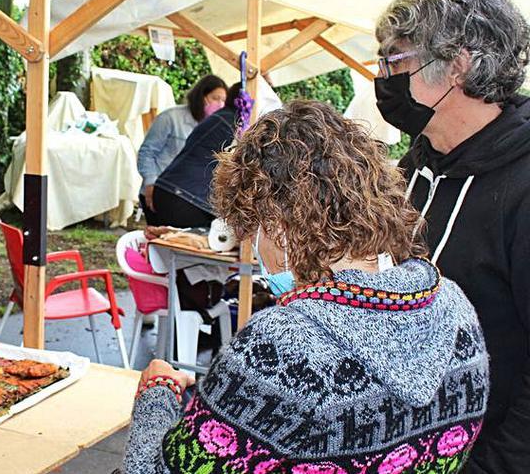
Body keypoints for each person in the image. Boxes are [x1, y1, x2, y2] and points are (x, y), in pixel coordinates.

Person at [123, 101, 489, 473]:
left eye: (253, 231)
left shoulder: (283, 347)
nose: (255, 247)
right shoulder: (455, 309)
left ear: (277, 226)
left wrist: (159, 395)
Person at [375, 0, 530, 471]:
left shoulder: (524, 185)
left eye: (395, 62)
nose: (381, 78)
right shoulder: (415, 165)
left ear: (458, 65)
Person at [149, 82, 252, 228]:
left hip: (170, 191)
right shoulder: (236, 125)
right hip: (186, 199)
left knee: (168, 246)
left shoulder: (220, 117)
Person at [138, 75, 227, 225]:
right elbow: (147, 152)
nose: (220, 104)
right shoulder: (170, 118)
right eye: (215, 98)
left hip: (190, 198)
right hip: (160, 190)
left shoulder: (216, 127)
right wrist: (150, 183)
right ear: (201, 96)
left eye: (224, 100)